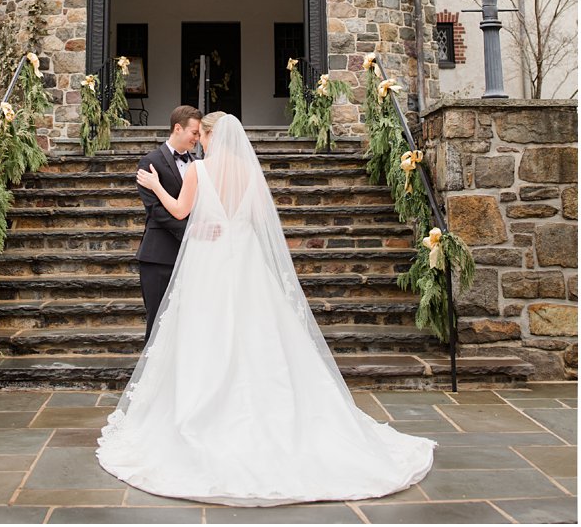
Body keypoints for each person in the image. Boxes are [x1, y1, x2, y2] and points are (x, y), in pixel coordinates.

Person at [97, 112, 435, 505]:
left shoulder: (199, 171)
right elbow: (259, 220)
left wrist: (156, 184)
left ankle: (202, 408)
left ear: (208, 136)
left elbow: (179, 212)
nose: (199, 142)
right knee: (258, 332)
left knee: (206, 332)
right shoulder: (247, 171)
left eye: (201, 136)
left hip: (209, 262)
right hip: (246, 260)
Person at [135, 105, 201, 344]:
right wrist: (191, 232)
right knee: (158, 319)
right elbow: (156, 210)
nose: (197, 138)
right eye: (194, 132)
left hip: (192, 257)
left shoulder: (198, 163)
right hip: (159, 256)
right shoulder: (149, 162)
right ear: (177, 128)